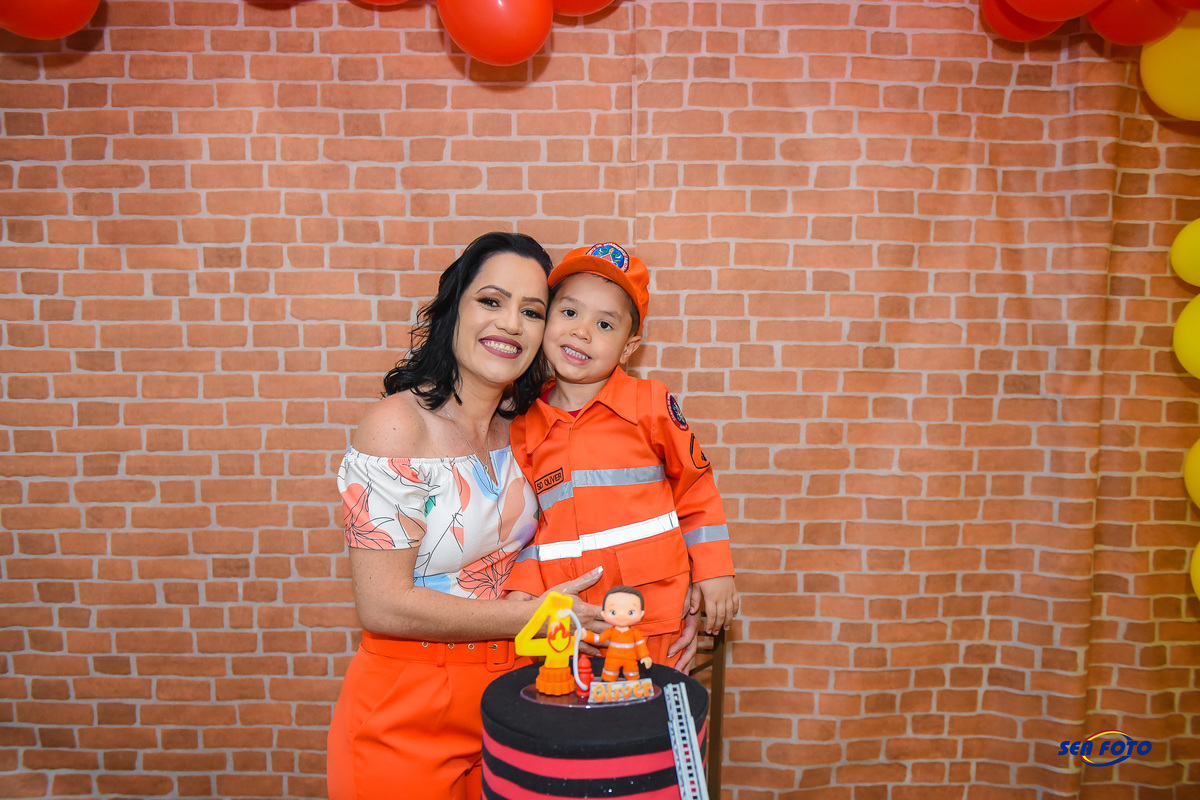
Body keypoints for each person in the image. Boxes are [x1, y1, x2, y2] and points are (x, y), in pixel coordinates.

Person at [326, 232, 612, 800]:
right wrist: (527, 617)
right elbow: (382, 604)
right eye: (491, 300)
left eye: (532, 311)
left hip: (518, 697)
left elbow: (624, 510)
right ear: (454, 307)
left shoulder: (531, 427)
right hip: (406, 711)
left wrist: (687, 595)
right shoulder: (397, 427)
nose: (510, 323)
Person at [504, 241, 739, 669]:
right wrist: (523, 587)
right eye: (569, 312)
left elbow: (695, 489)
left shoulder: (649, 403)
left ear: (629, 348)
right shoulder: (523, 426)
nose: (582, 332)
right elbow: (528, 524)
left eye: (604, 324)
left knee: (652, 708)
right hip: (571, 621)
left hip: (652, 616)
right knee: (567, 707)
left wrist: (714, 568)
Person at [583, 586, 654, 682]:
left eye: (630, 612)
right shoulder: (610, 631)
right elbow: (599, 638)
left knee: (632, 676)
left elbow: (640, 645)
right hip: (612, 659)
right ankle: (608, 685)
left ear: (641, 614)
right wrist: (586, 635)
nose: (621, 615)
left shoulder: (635, 633)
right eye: (613, 612)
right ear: (604, 614)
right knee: (609, 676)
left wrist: (645, 656)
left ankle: (633, 686)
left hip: (630, 659)